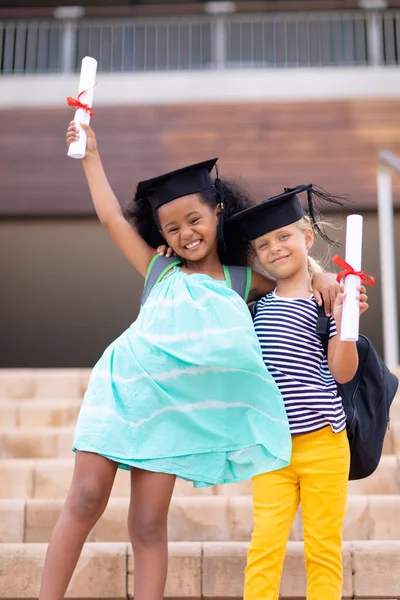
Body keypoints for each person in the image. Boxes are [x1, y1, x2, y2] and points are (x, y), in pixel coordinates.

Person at [39, 121, 338, 600]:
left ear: (219, 212)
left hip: (172, 414)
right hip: (121, 392)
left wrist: (323, 278)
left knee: (148, 522)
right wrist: (91, 155)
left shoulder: (243, 282)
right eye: (172, 228)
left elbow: (291, 283)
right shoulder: (159, 267)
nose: (185, 234)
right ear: (160, 234)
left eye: (195, 220)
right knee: (86, 498)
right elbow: (112, 218)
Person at [229, 184, 369, 600]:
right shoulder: (256, 305)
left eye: (284, 236)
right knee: (265, 546)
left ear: (307, 237)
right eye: (264, 243)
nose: (275, 247)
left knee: (323, 549)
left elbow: (342, 373)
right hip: (273, 449)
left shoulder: (327, 300)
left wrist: (345, 325)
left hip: (324, 443)